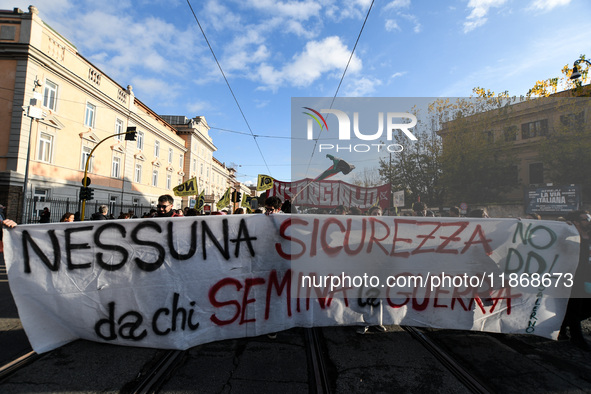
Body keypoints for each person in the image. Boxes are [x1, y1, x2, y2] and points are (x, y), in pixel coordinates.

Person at [559, 210, 591, 350]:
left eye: (589, 218)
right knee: (575, 306)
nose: (588, 221)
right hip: (574, 277)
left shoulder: (589, 234)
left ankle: (562, 325)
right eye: (585, 219)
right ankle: (577, 337)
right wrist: (564, 227)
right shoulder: (570, 236)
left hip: (588, 276)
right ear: (576, 222)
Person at [357, 204, 387, 334]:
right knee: (365, 295)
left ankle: (376, 322)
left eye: (378, 214)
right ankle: (365, 321)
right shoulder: (363, 229)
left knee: (378, 296)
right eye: (374, 213)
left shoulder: (386, 230)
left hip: (380, 267)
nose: (376, 216)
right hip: (365, 267)